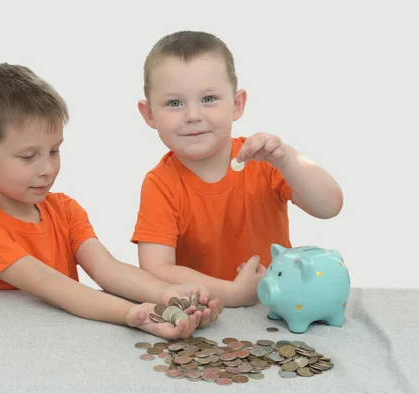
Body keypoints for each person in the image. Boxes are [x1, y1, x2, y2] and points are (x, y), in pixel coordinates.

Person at [0, 63, 222, 340]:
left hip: (63, 346)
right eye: (28, 157)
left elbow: (107, 269)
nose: (47, 169)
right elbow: (47, 283)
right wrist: (130, 314)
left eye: (54, 151)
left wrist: (169, 294)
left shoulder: (64, 210)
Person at [131, 31, 344, 308]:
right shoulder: (160, 184)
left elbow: (330, 206)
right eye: (175, 103)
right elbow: (155, 269)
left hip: (278, 309)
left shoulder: (264, 161)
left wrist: (286, 159)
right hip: (206, 315)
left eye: (208, 99)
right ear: (149, 115)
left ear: (237, 104)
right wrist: (232, 292)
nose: (193, 115)